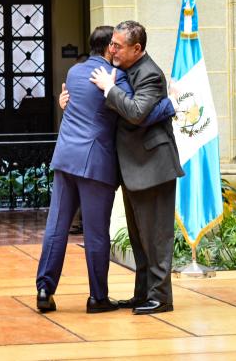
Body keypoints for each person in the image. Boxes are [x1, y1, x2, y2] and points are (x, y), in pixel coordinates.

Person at [36, 26, 174, 314]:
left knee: (56, 227)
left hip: (65, 158)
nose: (116, 49)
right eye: (114, 44)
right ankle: (98, 298)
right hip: (94, 164)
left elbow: (84, 106)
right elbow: (138, 112)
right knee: (96, 232)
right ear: (109, 48)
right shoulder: (116, 78)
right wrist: (169, 106)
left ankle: (44, 288)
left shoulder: (74, 73)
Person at [90, 20, 184, 315]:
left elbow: (134, 112)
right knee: (140, 238)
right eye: (112, 43)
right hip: (135, 168)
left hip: (153, 168)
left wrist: (108, 90)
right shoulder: (129, 69)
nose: (112, 49)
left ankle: (161, 298)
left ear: (137, 48)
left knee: (156, 238)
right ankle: (143, 293)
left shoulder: (151, 74)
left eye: (118, 45)